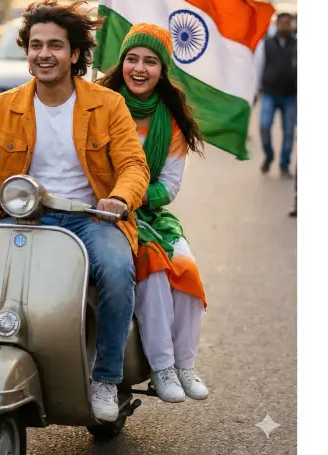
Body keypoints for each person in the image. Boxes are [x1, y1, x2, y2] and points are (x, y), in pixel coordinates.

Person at [0, 0, 149, 423]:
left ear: (75, 55)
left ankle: (106, 378)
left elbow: (133, 165)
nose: (43, 54)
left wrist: (119, 199)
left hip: (90, 218)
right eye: (36, 45)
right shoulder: (5, 105)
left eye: (55, 45)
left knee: (116, 269)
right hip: (22, 216)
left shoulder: (108, 105)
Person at [97, 23, 210, 403]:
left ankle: (184, 365)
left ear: (162, 71)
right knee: (155, 270)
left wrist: (131, 197)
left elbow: (169, 188)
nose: (139, 68)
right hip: (97, 213)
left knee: (187, 268)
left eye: (150, 61)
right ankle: (161, 367)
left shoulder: (171, 123)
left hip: (147, 215)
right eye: (132, 59)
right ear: (121, 63)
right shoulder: (99, 105)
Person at [253, 12, 297, 177]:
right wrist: (255, 90)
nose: (285, 25)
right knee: (264, 126)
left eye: (288, 22)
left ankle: (284, 164)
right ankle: (269, 155)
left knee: (289, 132)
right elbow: (259, 67)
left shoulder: (297, 45)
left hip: (290, 95)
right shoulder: (266, 44)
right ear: (277, 24)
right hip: (269, 93)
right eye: (282, 22)